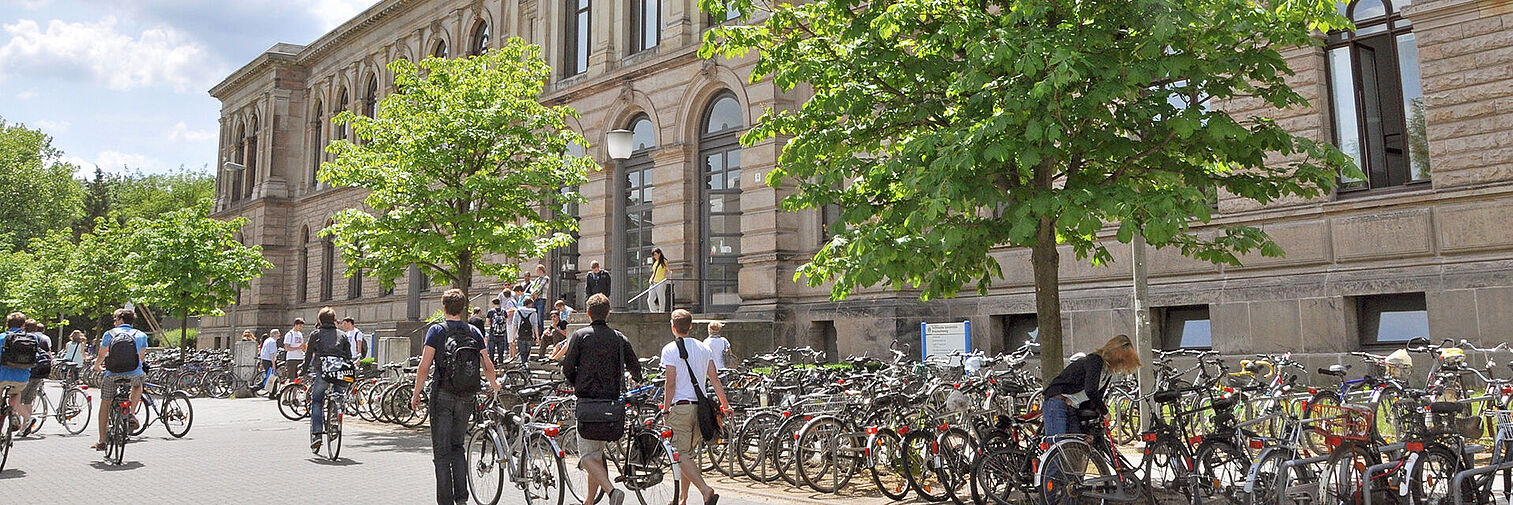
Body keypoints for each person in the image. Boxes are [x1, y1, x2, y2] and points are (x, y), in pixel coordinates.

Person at [411, 288, 501, 505]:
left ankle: (446, 502)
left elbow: (424, 366)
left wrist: (416, 393)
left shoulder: (436, 331)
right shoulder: (474, 332)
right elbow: (487, 364)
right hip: (467, 395)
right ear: (463, 308)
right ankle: (461, 499)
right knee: (457, 447)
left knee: (441, 453)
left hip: (442, 394)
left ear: (444, 308)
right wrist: (494, 384)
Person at [561, 294, 644, 505]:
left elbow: (567, 368)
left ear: (588, 313)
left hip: (588, 404)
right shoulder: (618, 337)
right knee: (596, 454)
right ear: (608, 313)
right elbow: (635, 367)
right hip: (611, 406)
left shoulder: (580, 336)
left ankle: (611, 491)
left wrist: (576, 384)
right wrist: (635, 379)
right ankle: (589, 501)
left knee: (587, 457)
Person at [660, 309, 732, 505]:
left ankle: (705, 490)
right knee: (688, 454)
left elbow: (671, 383)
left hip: (680, 407)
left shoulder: (669, 349)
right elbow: (715, 379)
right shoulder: (703, 348)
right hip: (700, 409)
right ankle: (682, 498)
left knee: (680, 453)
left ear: (673, 327)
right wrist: (725, 405)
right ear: (691, 326)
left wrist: (666, 409)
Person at [1040, 334, 1141, 438]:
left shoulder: (1107, 373)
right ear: (1115, 356)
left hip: (1072, 406)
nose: (1121, 367)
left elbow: (1096, 398)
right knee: (1058, 444)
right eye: (1122, 362)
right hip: (1057, 401)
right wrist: (1105, 413)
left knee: (1076, 446)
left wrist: (1099, 416)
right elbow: (1091, 390)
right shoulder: (1095, 361)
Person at [92, 308, 148, 451]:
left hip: (112, 374)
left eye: (115, 319)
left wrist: (97, 366)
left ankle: (102, 441)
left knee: (105, 403)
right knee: (137, 385)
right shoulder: (141, 335)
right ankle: (131, 413)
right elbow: (141, 358)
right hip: (134, 373)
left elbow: (101, 354)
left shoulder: (109, 334)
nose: (114, 322)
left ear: (121, 319)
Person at [304, 307, 352, 452]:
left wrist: (303, 369)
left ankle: (317, 433)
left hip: (323, 372)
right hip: (340, 373)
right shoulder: (342, 335)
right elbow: (348, 356)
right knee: (338, 396)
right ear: (333, 320)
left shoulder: (316, 334)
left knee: (317, 400)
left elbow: (308, 355)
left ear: (319, 320)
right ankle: (335, 418)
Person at [0, 313, 35, 435]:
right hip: (22, 379)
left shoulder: (1, 337)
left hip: (2, 377)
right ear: (23, 325)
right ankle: (14, 412)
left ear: (7, 324)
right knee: (16, 392)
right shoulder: (31, 338)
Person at [18, 319, 52, 431]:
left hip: (27, 372)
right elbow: (49, 357)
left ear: (24, 327)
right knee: (29, 400)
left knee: (17, 400)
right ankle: (25, 427)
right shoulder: (43, 339)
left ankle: (27, 420)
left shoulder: (23, 338)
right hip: (40, 373)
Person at [526, 263, 550, 335]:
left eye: (537, 270)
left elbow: (540, 287)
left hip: (541, 299)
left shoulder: (545, 278)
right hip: (535, 299)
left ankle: (540, 334)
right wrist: (533, 293)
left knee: (540, 317)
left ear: (540, 270)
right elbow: (531, 288)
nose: (536, 272)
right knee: (534, 317)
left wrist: (534, 292)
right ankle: (535, 334)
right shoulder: (537, 279)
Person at [485, 298, 509, 366]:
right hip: (501, 334)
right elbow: (506, 321)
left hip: (493, 333)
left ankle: (492, 366)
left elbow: (488, 322)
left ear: (493, 303)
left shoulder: (491, 311)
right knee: (500, 352)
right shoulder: (504, 311)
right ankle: (500, 369)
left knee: (491, 351)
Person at [514, 296, 538, 364]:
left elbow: (514, 324)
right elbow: (535, 325)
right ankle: (525, 365)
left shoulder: (517, 312)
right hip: (529, 335)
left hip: (520, 335)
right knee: (527, 352)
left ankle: (523, 365)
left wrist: (513, 335)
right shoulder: (533, 313)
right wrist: (537, 337)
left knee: (522, 353)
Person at [647, 248, 670, 313]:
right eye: (653, 255)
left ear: (659, 254)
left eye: (655, 255)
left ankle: (661, 312)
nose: (654, 256)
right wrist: (651, 279)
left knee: (661, 298)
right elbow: (654, 272)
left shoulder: (664, 261)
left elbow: (667, 269)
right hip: (654, 282)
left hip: (661, 281)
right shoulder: (655, 262)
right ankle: (654, 312)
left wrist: (670, 273)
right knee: (650, 299)